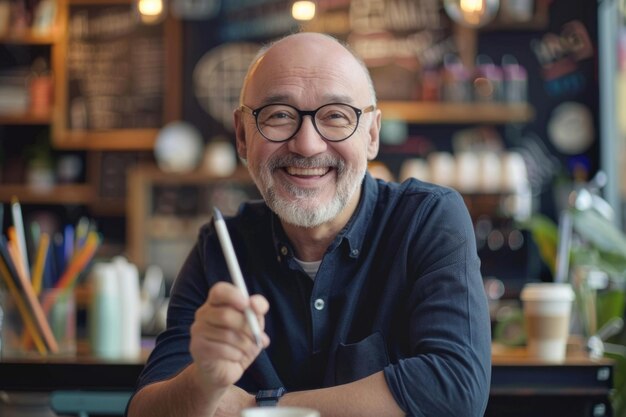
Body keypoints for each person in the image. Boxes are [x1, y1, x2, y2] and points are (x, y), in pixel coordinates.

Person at [127, 32, 491, 417]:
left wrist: (256, 409)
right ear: (241, 136)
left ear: (371, 134)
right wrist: (204, 381)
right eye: (280, 115)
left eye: (335, 116)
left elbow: (456, 391)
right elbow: (145, 410)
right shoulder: (221, 246)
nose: (307, 145)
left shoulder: (427, 220)